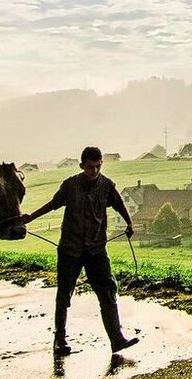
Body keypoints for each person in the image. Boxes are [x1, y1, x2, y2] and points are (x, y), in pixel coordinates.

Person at [19, 146, 139, 355]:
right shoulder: (70, 186)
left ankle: (116, 339)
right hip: (70, 250)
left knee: (107, 291)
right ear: (82, 165)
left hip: (96, 249)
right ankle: (59, 340)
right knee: (64, 294)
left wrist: (129, 223)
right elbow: (52, 205)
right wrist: (31, 218)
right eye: (90, 167)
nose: (94, 171)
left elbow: (119, 205)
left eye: (98, 166)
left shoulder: (107, 186)